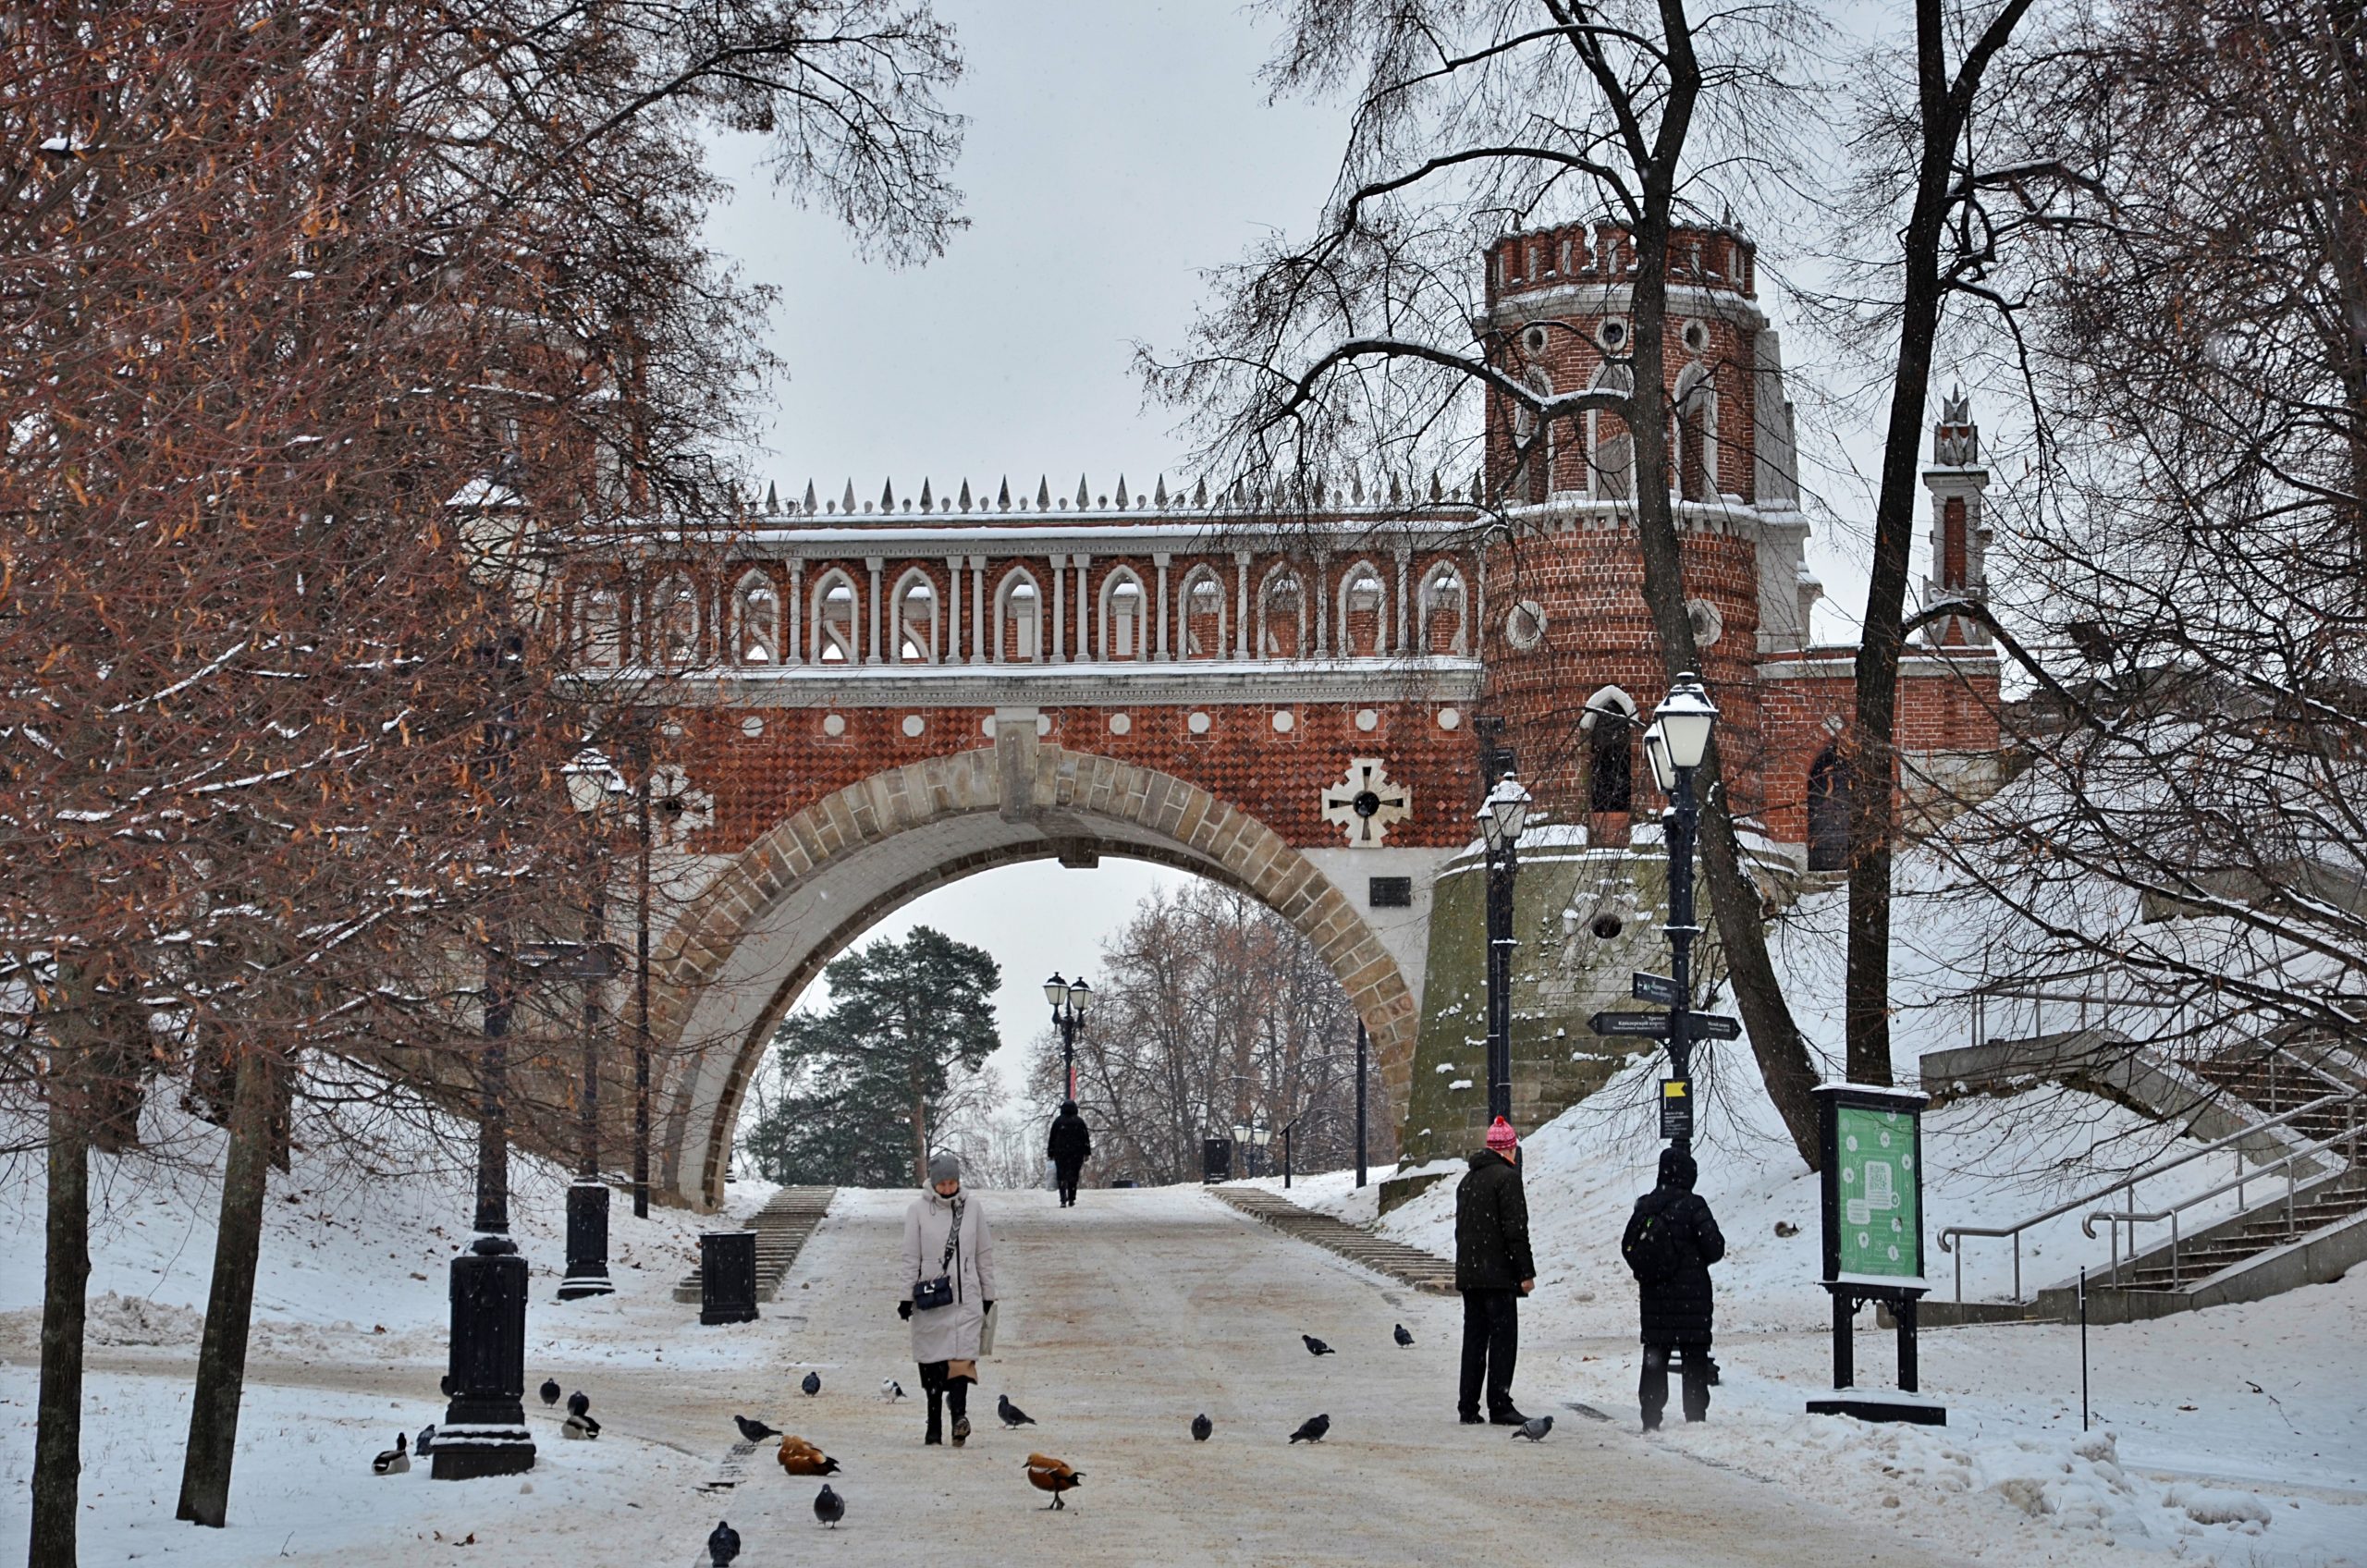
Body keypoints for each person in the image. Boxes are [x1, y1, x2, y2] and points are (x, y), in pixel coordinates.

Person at [1621, 1146, 1726, 1429]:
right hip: (1693, 1299)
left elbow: (1628, 1246)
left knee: (1655, 1354)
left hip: (1656, 1297)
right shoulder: (1695, 1206)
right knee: (1694, 1355)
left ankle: (1651, 1416)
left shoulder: (1645, 1206)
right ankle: (1695, 1416)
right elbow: (1715, 1248)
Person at [899, 1151, 997, 1447]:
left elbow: (983, 1253)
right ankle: (933, 1423)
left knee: (962, 1360)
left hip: (967, 1297)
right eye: (942, 1183)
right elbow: (909, 1258)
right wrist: (905, 1297)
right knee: (932, 1364)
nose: (947, 1188)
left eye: (952, 1182)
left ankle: (959, 1419)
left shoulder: (973, 1208)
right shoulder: (917, 1211)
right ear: (933, 1182)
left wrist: (988, 1294)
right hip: (932, 1298)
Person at [1453, 1116, 1535, 1425]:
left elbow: (1462, 1231)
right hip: (1498, 1276)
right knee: (1502, 1339)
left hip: (1472, 1275)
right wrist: (1525, 1273)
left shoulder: (1467, 1181)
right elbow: (1516, 1230)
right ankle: (1499, 1404)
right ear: (1509, 1149)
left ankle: (1468, 1407)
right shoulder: (1507, 1179)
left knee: (1474, 1340)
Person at [1047, 1099, 1092, 1207]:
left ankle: (1063, 1199)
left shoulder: (1058, 1122)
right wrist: (1087, 1152)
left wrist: (1050, 1152)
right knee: (1073, 1175)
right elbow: (1085, 1138)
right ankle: (1071, 1198)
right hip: (1076, 1153)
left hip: (1061, 1153)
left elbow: (1052, 1138)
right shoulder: (1079, 1122)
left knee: (1061, 1175)